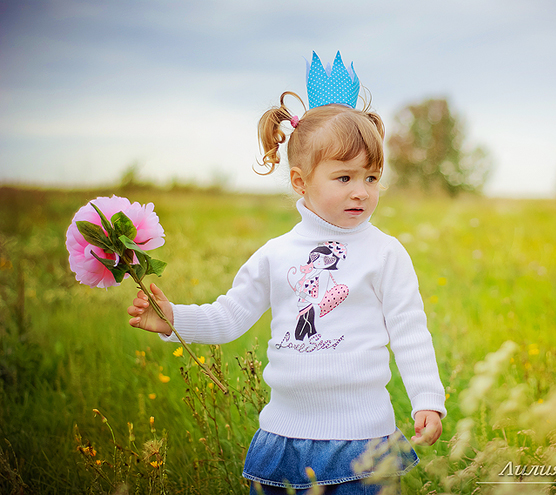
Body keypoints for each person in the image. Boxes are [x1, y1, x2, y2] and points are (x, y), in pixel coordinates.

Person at [127, 51, 446, 495]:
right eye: (344, 178)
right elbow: (230, 316)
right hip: (285, 435)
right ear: (300, 181)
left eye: (371, 178)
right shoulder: (276, 255)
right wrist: (174, 319)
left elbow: (410, 330)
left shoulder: (385, 253)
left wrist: (428, 399)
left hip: (363, 438)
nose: (361, 192)